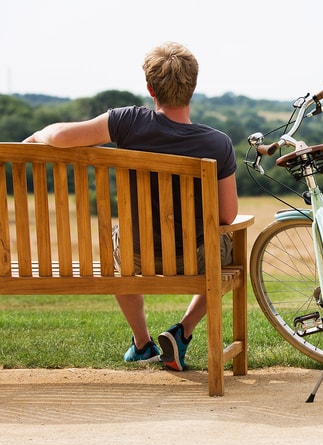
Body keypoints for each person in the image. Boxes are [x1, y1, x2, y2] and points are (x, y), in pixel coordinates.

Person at [23, 42, 239, 371]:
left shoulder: (128, 122)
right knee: (231, 246)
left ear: (150, 89)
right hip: (196, 258)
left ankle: (142, 344)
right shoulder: (217, 143)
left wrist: (41, 134)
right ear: (193, 88)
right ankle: (182, 333)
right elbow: (227, 215)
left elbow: (63, 136)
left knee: (117, 236)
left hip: (135, 256)